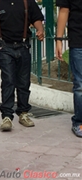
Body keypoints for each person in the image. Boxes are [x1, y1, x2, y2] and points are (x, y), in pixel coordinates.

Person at [0, 0, 44, 131]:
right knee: (8, 81)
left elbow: (37, 18)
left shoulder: (27, 2)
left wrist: (40, 30)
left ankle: (23, 113)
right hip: (4, 47)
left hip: (23, 46)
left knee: (23, 82)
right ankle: (6, 116)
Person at [55, 0, 82, 138]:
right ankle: (79, 122)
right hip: (78, 41)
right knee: (80, 85)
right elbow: (64, 11)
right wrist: (58, 39)